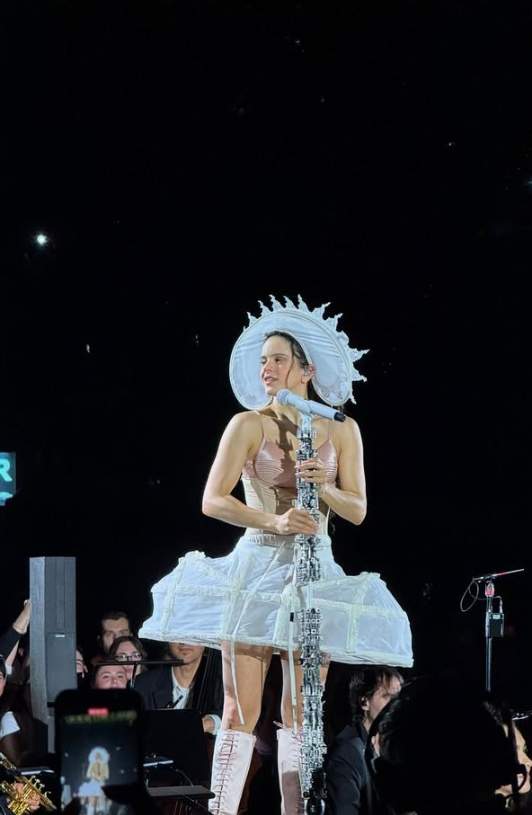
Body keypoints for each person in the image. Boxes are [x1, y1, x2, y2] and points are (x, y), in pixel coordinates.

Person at [140, 295, 413, 815]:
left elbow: (356, 509)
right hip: (258, 565)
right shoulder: (248, 424)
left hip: (314, 571)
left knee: (301, 711)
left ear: (307, 369)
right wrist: (274, 520)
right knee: (240, 708)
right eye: (263, 360)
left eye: (278, 359)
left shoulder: (342, 428)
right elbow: (212, 500)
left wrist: (323, 487)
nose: (266, 369)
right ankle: (219, 809)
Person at [325, 667, 403, 814]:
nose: (396, 704)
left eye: (398, 697)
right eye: (387, 696)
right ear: (364, 701)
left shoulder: (393, 745)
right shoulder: (347, 753)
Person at [134, 642, 223, 734]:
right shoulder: (143, 684)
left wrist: (212, 722)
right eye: (177, 635)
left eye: (191, 635)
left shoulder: (223, 684)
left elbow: (233, 718)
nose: (184, 642)